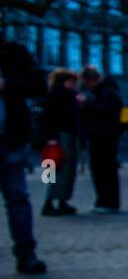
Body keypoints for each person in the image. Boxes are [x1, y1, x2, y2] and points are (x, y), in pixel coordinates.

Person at [0, 38, 48, 273]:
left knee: (17, 196)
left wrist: (6, 85)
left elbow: (39, 85)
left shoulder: (14, 51)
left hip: (10, 137)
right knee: (18, 197)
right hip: (15, 136)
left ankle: (25, 252)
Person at [80, 67, 124, 214]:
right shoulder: (110, 91)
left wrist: (86, 104)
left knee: (102, 169)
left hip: (102, 135)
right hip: (107, 134)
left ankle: (106, 201)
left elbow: (103, 111)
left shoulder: (105, 94)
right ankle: (108, 201)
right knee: (106, 169)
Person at [40, 68, 80, 216]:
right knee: (59, 170)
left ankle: (60, 201)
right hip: (60, 137)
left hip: (62, 136)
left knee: (63, 171)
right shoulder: (59, 96)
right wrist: (51, 137)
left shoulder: (61, 96)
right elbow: (49, 119)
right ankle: (51, 202)